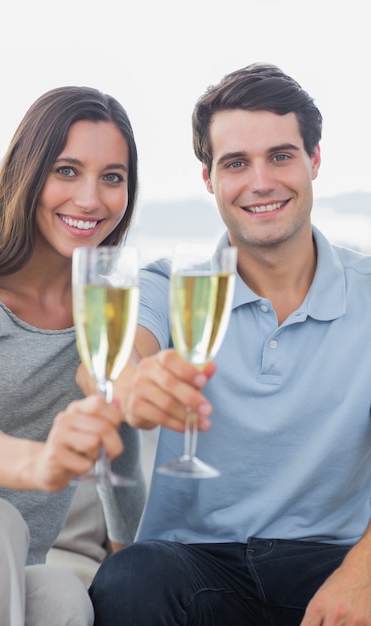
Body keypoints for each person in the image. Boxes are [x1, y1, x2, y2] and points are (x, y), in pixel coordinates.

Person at [87, 63, 371, 625]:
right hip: (194, 569)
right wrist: (132, 384)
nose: (260, 182)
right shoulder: (170, 284)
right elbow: (117, 356)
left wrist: (362, 575)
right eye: (236, 163)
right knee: (130, 579)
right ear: (209, 179)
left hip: (332, 563)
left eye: (281, 156)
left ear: (314, 161)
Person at [0, 85, 146, 626]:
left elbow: (119, 438)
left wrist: (134, 553)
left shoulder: (101, 304)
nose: (90, 199)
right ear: (27, 173)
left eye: (112, 177)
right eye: (66, 170)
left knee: (63, 597)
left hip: (17, 562)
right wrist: (36, 463)